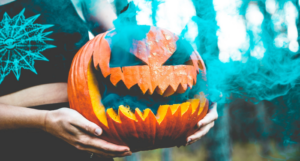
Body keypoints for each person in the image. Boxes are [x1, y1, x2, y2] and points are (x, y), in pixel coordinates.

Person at [0, 0, 218, 160]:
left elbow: (129, 51)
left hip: (87, 138)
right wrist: (45, 120)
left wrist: (204, 93)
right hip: (13, 142)